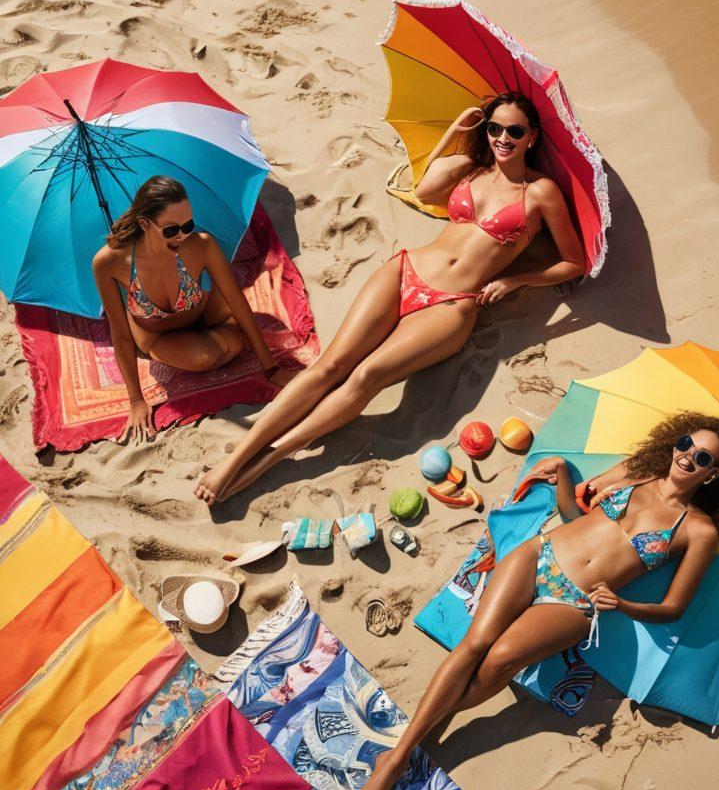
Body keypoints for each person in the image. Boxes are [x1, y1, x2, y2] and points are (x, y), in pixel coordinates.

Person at [355, 413, 719, 790]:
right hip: (540, 553)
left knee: (497, 662)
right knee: (474, 645)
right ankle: (398, 757)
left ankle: (416, 735)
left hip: (576, 602)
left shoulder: (700, 531)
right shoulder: (637, 472)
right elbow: (573, 513)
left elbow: (674, 607)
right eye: (686, 444)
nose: (688, 456)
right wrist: (565, 475)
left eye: (702, 457)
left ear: (712, 474)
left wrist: (623, 605)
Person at [193, 91, 586, 504]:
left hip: (451, 304)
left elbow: (573, 261)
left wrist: (517, 280)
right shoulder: (470, 167)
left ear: (532, 137)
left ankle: (268, 459)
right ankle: (237, 456)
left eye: (514, 131)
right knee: (331, 365)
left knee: (366, 377)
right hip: (405, 271)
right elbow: (425, 189)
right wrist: (455, 132)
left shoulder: (542, 193)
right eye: (494, 128)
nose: (502, 138)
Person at [93, 176, 280, 444]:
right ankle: (210, 340)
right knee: (207, 355)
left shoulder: (199, 245)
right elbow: (121, 335)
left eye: (187, 225)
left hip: (200, 314)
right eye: (170, 230)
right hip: (158, 336)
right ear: (145, 223)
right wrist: (136, 399)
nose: (182, 235)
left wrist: (270, 366)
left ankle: (218, 337)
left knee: (235, 326)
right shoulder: (109, 262)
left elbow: (236, 302)